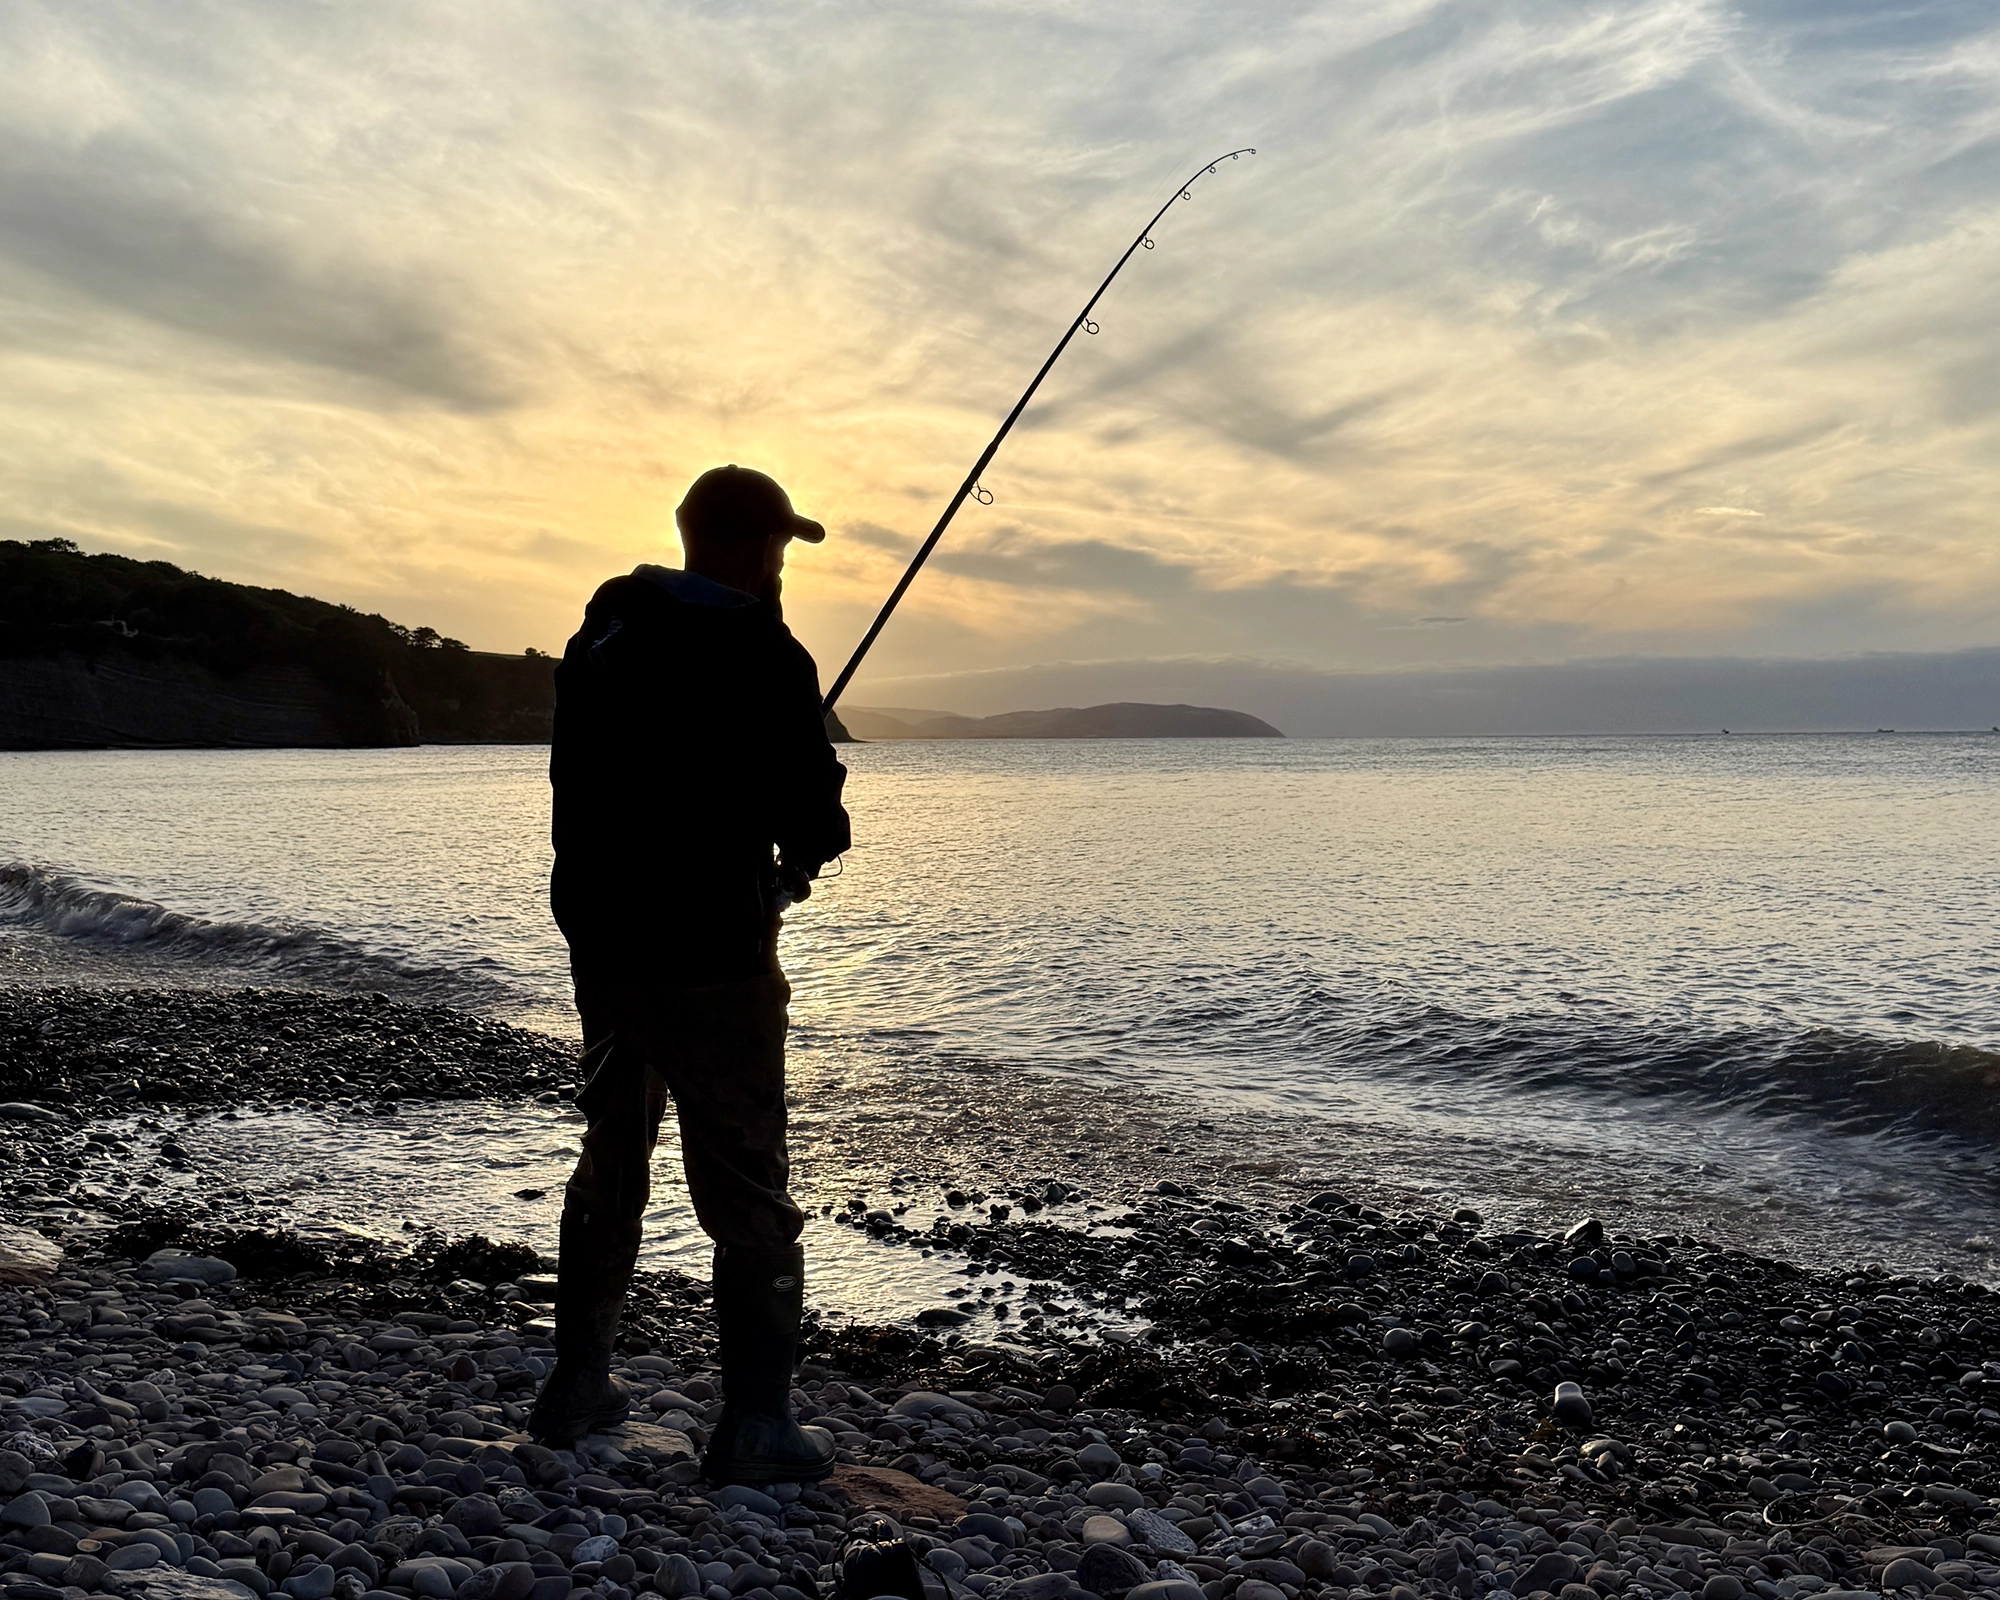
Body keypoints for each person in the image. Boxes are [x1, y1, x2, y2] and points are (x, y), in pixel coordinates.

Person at [529, 464, 851, 1486]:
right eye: (779, 547)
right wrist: (805, 829)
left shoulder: (601, 638)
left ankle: (575, 1383)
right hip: (714, 955)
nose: (780, 564)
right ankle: (755, 1422)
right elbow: (814, 820)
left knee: (611, 1155)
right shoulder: (764, 650)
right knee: (746, 1182)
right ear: (760, 547)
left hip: (605, 944)